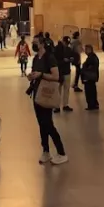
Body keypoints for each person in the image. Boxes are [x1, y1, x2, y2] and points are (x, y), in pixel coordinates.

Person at [28, 35, 68, 164]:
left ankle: (61, 152)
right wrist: (32, 76)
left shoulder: (49, 58)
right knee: (41, 124)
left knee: (48, 124)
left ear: (42, 44)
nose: (33, 45)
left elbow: (56, 76)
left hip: (46, 94)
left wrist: (41, 75)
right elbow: (36, 72)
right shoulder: (35, 58)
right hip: (37, 93)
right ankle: (46, 151)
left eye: (35, 43)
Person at [81, 44, 100, 110]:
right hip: (92, 77)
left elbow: (88, 67)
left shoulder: (91, 58)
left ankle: (91, 104)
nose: (85, 51)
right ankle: (94, 103)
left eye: (86, 49)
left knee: (89, 91)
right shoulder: (92, 57)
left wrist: (84, 70)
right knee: (93, 90)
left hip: (89, 77)